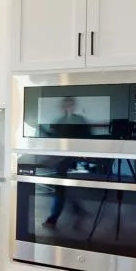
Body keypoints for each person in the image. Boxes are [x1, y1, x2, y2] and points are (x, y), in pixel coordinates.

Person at [44, 97, 91, 228]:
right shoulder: (59, 121)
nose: (67, 108)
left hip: (71, 159)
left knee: (61, 189)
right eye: (66, 106)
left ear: (73, 106)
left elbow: (87, 138)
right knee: (62, 189)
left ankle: (54, 218)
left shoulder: (79, 120)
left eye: (70, 105)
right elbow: (55, 140)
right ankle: (76, 212)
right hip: (61, 159)